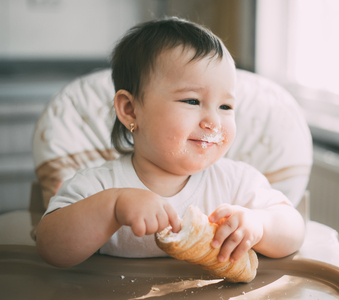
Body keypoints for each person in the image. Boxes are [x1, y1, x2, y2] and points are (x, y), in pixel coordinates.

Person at [35, 17, 305, 268]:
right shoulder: (99, 187)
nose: (213, 121)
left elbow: (294, 229)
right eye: (192, 101)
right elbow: (50, 247)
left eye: (225, 106)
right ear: (130, 109)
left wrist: (260, 224)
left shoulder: (235, 183)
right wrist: (112, 208)